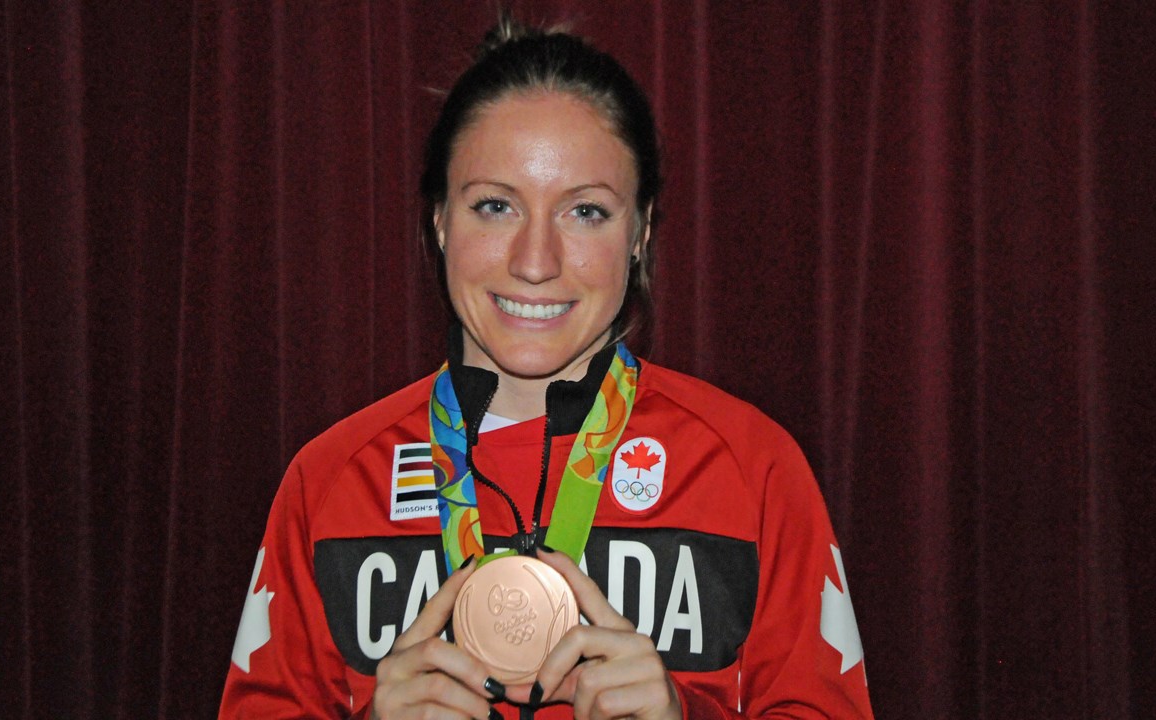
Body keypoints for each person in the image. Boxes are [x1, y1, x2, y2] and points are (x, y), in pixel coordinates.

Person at [220, 15, 873, 720]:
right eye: (495, 206)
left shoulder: (753, 471)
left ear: (642, 230)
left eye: (586, 211)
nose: (536, 263)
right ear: (439, 218)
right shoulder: (328, 483)